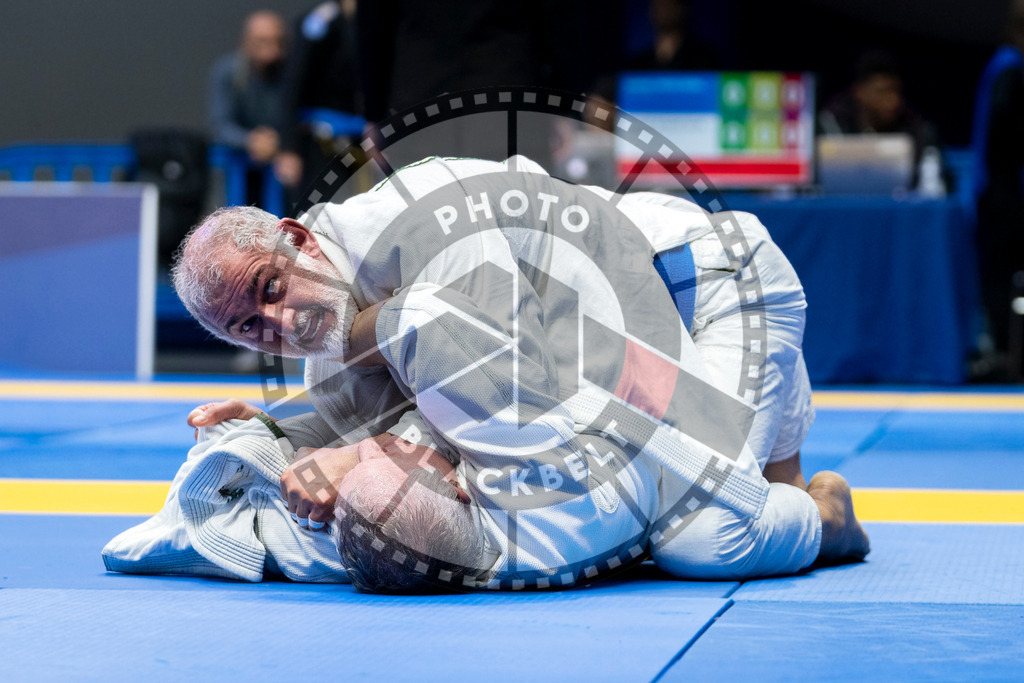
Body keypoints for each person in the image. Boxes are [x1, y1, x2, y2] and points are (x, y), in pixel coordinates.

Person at [174, 155, 870, 591]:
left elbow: (505, 376)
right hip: (616, 338)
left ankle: (830, 514)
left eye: (269, 289)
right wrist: (277, 431)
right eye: (248, 328)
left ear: (297, 237)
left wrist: (374, 452)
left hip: (705, 285)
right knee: (747, 495)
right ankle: (789, 475)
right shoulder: (322, 300)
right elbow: (373, 407)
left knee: (710, 533)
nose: (279, 321)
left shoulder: (428, 225)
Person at [971, 0, 1024, 380]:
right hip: (1001, 193)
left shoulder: (1006, 65)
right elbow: (1004, 135)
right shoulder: (1009, 68)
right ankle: (1006, 352)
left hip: (1000, 189)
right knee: (1001, 276)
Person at [819, 50, 941, 181]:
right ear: (859, 91)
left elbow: (933, 182)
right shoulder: (831, 123)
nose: (893, 100)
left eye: (896, 91)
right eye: (882, 91)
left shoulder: (917, 129)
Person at [208, 10, 288, 205]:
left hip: (283, 166)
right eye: (262, 41)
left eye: (278, 41)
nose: (272, 50)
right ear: (246, 41)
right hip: (238, 164)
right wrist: (251, 140)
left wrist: (281, 143)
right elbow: (221, 126)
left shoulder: (291, 73)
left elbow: (300, 117)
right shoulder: (228, 72)